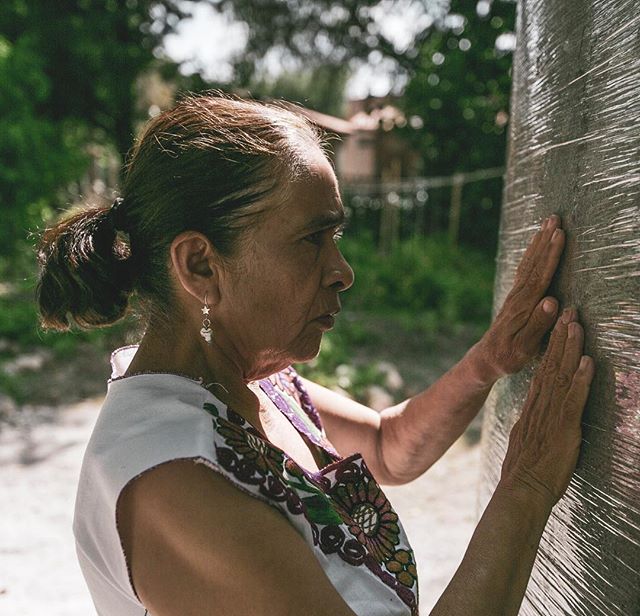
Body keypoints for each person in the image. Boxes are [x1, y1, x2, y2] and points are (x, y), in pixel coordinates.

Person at [36, 93, 594, 616]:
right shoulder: (176, 478)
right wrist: (529, 484)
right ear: (201, 265)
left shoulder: (248, 387)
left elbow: (387, 444)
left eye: (337, 238)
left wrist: (490, 360)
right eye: (312, 240)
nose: (342, 272)